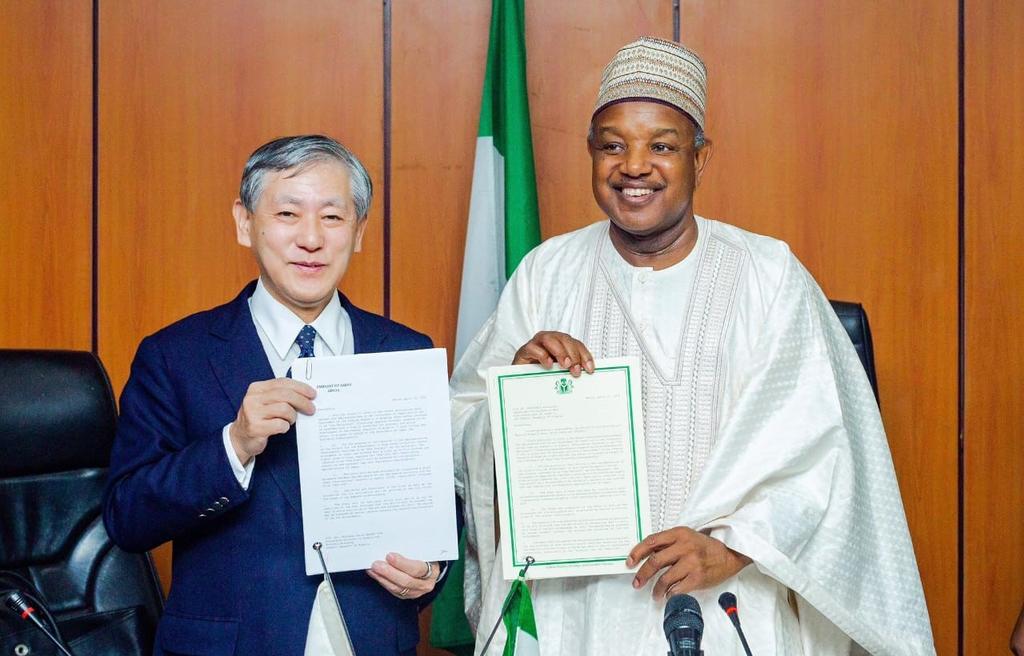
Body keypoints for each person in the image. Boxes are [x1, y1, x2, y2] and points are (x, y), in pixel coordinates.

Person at [451, 37, 935, 654]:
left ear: (700, 160)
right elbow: (463, 429)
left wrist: (732, 547)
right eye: (613, 145)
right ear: (591, 154)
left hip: (727, 601)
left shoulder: (768, 275)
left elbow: (827, 453)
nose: (634, 166)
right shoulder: (548, 273)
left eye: (661, 146)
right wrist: (512, 394)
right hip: (574, 611)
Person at [104, 135, 449, 655]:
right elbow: (127, 517)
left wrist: (431, 571)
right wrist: (233, 445)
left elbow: (441, 502)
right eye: (288, 213)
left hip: (371, 638)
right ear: (245, 223)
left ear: (358, 232)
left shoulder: (403, 351)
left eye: (332, 218)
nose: (310, 239)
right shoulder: (177, 354)